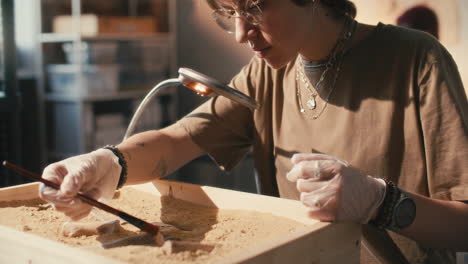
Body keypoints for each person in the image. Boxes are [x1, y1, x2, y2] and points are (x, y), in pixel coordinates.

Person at [39, 0, 468, 263]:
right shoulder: (264, 75)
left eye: (255, 7)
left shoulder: (417, 61)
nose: (242, 33)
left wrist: (381, 200)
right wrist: (106, 162)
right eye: (229, 13)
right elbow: (179, 138)